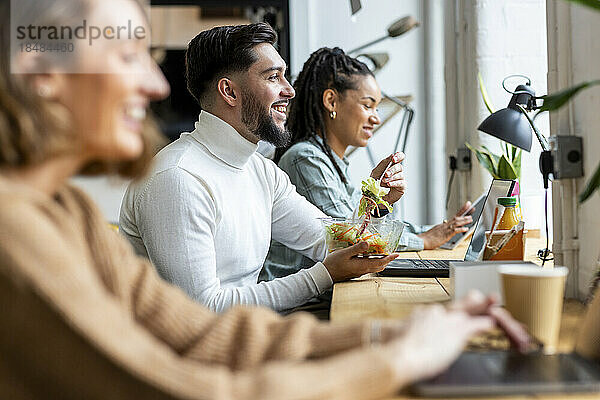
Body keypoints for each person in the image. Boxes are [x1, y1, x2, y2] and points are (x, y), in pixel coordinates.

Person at [0, 1, 532, 398]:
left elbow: (206, 332)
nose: (154, 84)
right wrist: (400, 356)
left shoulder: (68, 214)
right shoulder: (166, 182)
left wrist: (392, 332)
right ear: (44, 73)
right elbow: (188, 384)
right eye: (127, 56)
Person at [119, 23, 406, 313]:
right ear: (229, 92)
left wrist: (376, 201)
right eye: (273, 77)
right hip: (193, 352)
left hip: (246, 335)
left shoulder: (261, 171)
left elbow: (331, 241)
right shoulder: (178, 178)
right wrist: (324, 275)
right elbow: (203, 311)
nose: (290, 90)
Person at [262, 47, 473, 282]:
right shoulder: (305, 159)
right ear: (331, 101)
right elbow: (350, 237)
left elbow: (358, 223)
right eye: (367, 105)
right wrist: (423, 240)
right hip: (297, 303)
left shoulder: (333, 163)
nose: (377, 117)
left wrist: (427, 228)